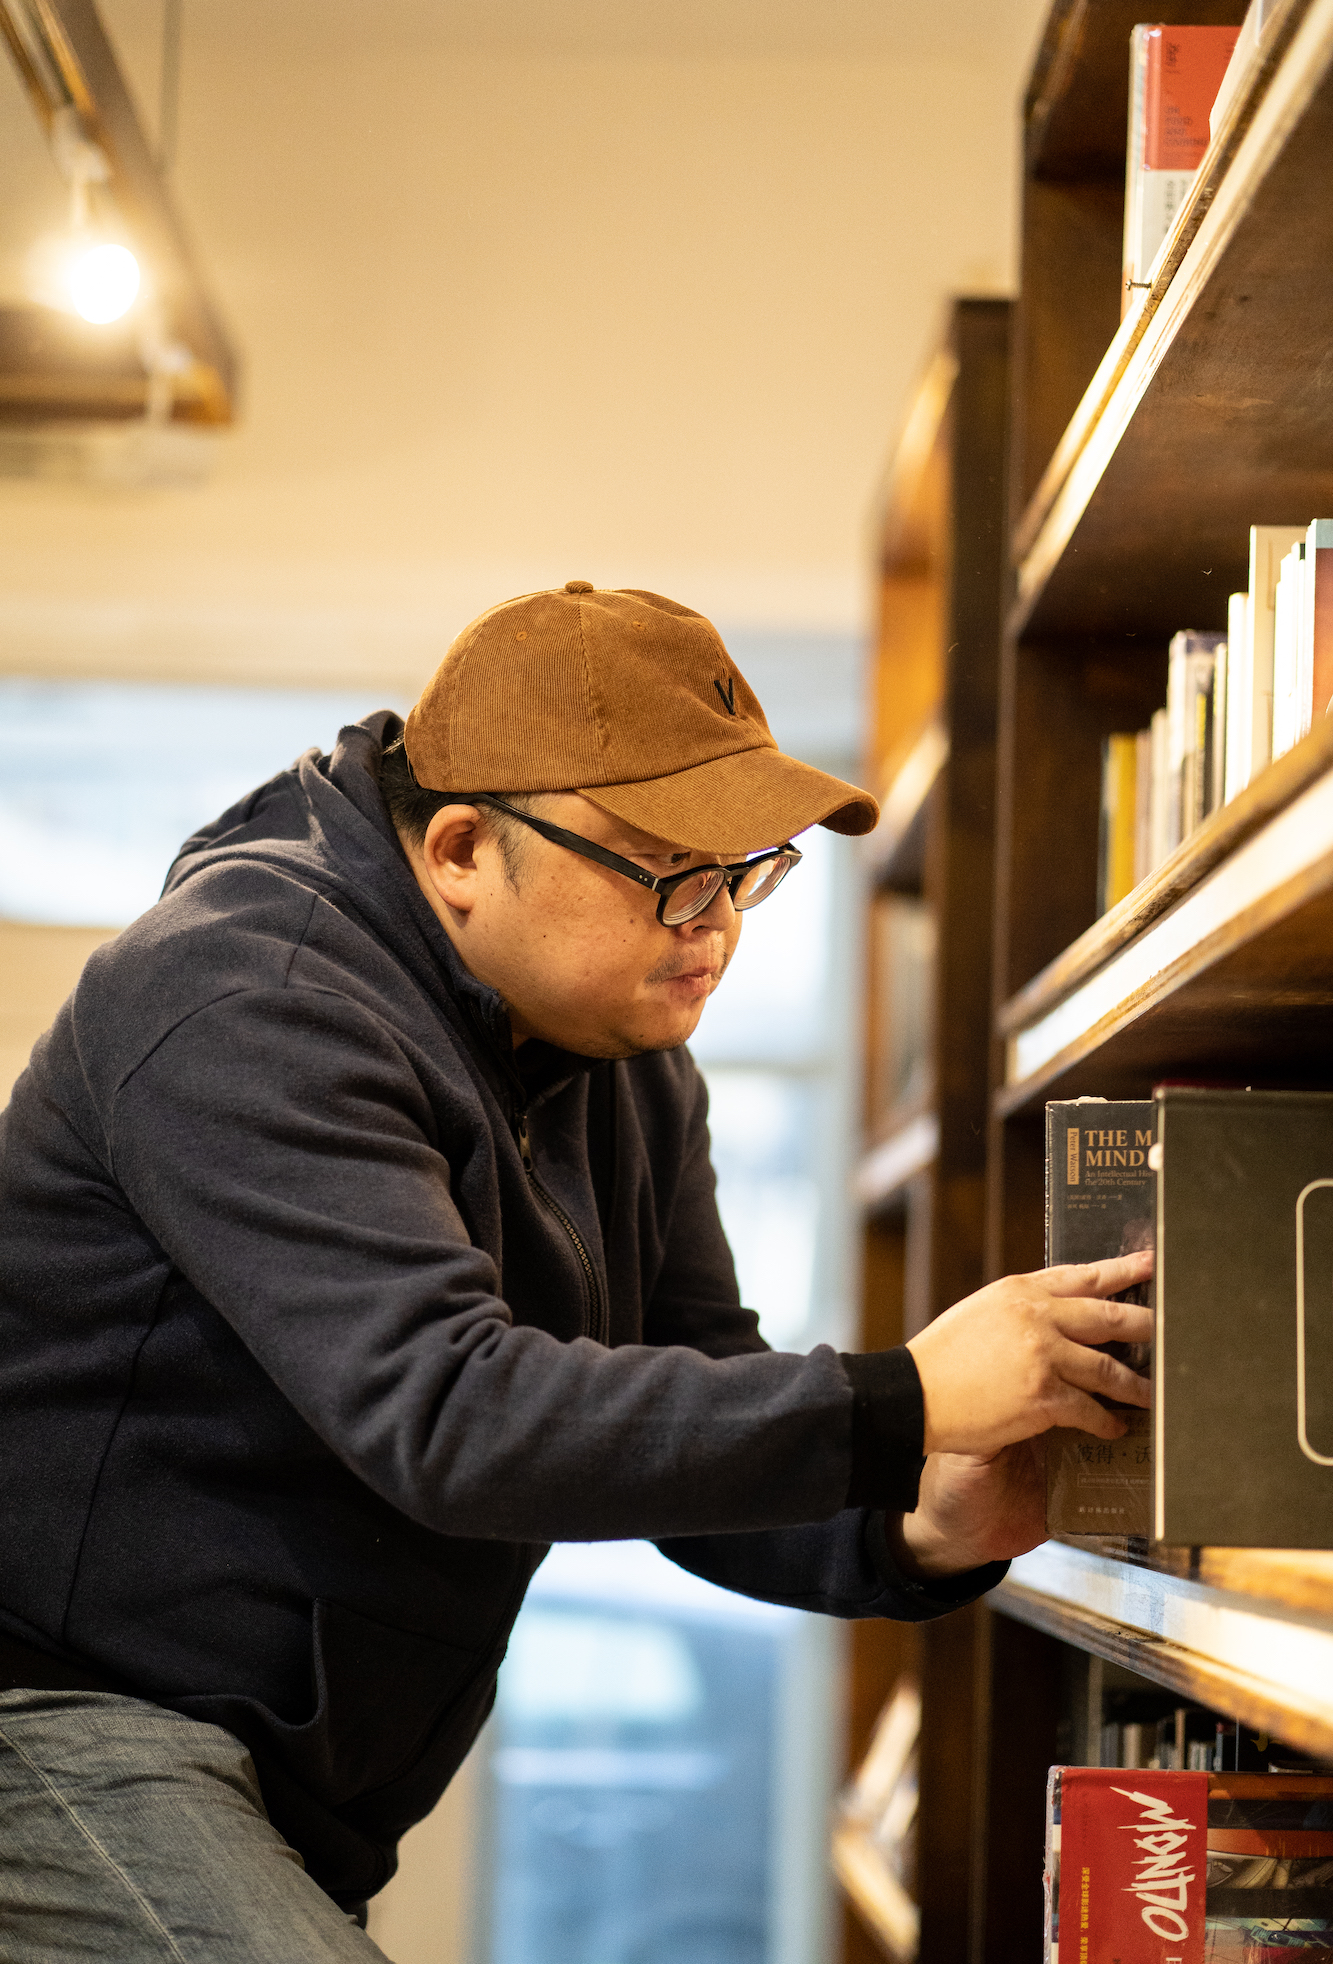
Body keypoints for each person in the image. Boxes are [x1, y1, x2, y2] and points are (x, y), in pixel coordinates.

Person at [0, 582, 1151, 1960]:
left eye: (745, 870)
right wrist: (902, 1403)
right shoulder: (249, 994)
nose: (714, 923)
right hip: (56, 1715)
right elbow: (449, 1414)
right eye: (666, 868)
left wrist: (907, 1528)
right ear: (463, 850)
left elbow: (698, 1413)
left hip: (280, 1776)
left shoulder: (629, 1069)